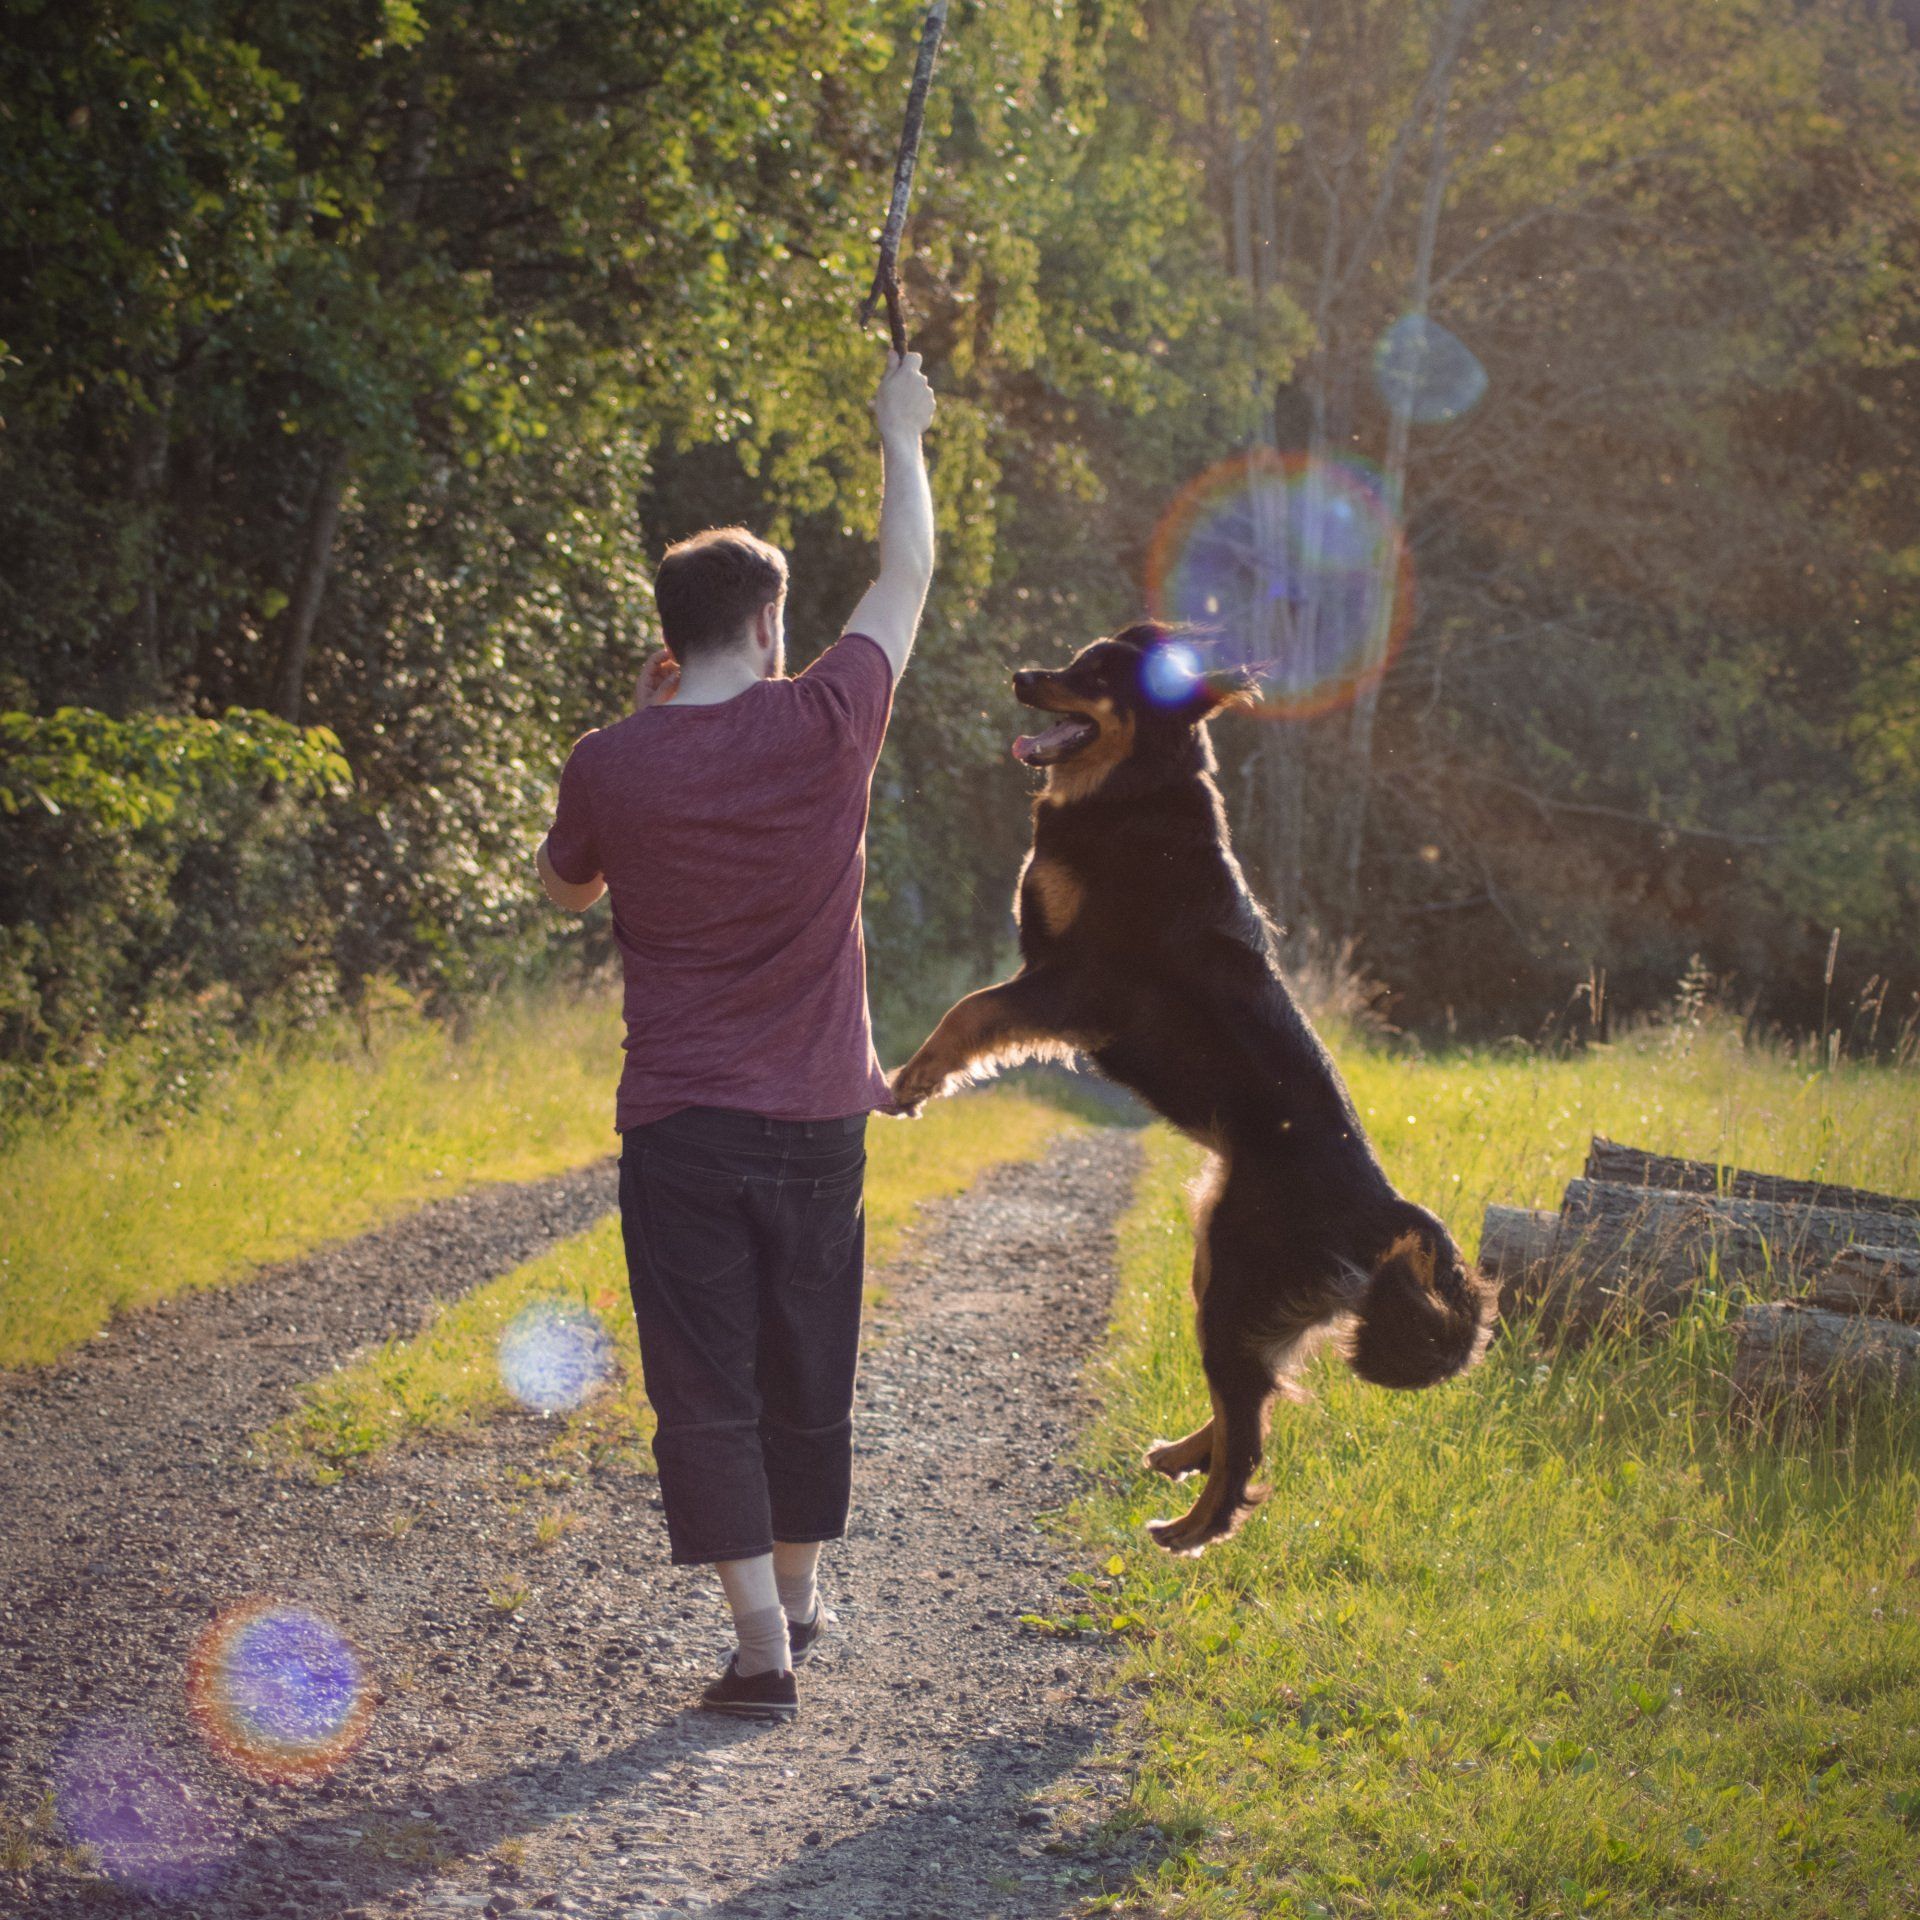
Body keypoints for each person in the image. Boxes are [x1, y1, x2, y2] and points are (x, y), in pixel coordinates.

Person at [535, 352, 937, 1721]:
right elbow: (907, 573)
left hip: (683, 1126)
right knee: (808, 1351)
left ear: (671, 633)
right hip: (821, 1118)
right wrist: (900, 433)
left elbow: (569, 886)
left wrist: (647, 738)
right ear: (769, 628)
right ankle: (809, 1592)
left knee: (703, 1374)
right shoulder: (827, 722)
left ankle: (762, 1643)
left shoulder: (612, 759)